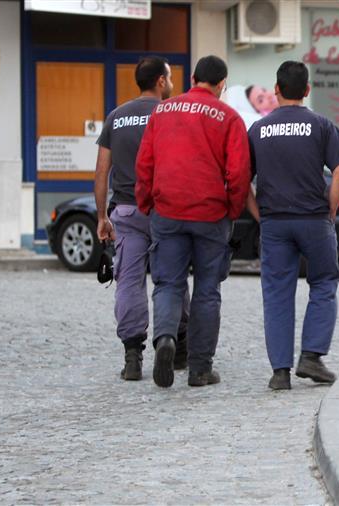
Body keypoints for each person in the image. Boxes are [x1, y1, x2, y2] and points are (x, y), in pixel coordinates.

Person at [135, 55, 251, 388]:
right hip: (210, 214)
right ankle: (200, 368)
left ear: (194, 78)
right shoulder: (228, 117)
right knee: (207, 291)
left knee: (168, 284)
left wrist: (147, 203)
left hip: (168, 212)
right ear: (222, 83)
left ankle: (167, 339)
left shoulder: (162, 111)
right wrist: (231, 209)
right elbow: (239, 172)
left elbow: (145, 163)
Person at [247, 61, 339, 390]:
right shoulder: (322, 126)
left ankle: (280, 372)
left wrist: (258, 214)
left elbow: (238, 181)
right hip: (314, 220)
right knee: (323, 283)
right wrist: (330, 209)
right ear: (307, 90)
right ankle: (311, 356)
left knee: (277, 293)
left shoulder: (257, 130)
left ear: (276, 90)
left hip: (275, 222)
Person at [94, 56, 191, 381]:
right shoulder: (173, 113)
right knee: (171, 277)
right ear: (161, 82)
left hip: (126, 210)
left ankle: (132, 357)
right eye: (170, 77)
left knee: (129, 281)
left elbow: (101, 172)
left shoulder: (116, 116)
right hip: (164, 209)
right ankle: (176, 345)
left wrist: (101, 217)